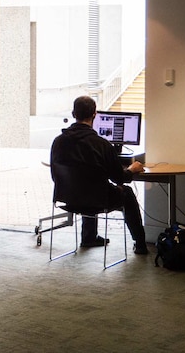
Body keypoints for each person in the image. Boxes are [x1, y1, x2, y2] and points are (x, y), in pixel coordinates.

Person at [50, 95, 149, 255]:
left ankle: (89, 237)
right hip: (97, 201)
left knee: (88, 187)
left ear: (73, 114)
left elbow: (55, 175)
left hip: (67, 199)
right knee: (126, 193)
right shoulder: (101, 145)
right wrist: (132, 169)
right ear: (94, 114)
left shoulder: (58, 142)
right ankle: (140, 244)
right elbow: (119, 178)